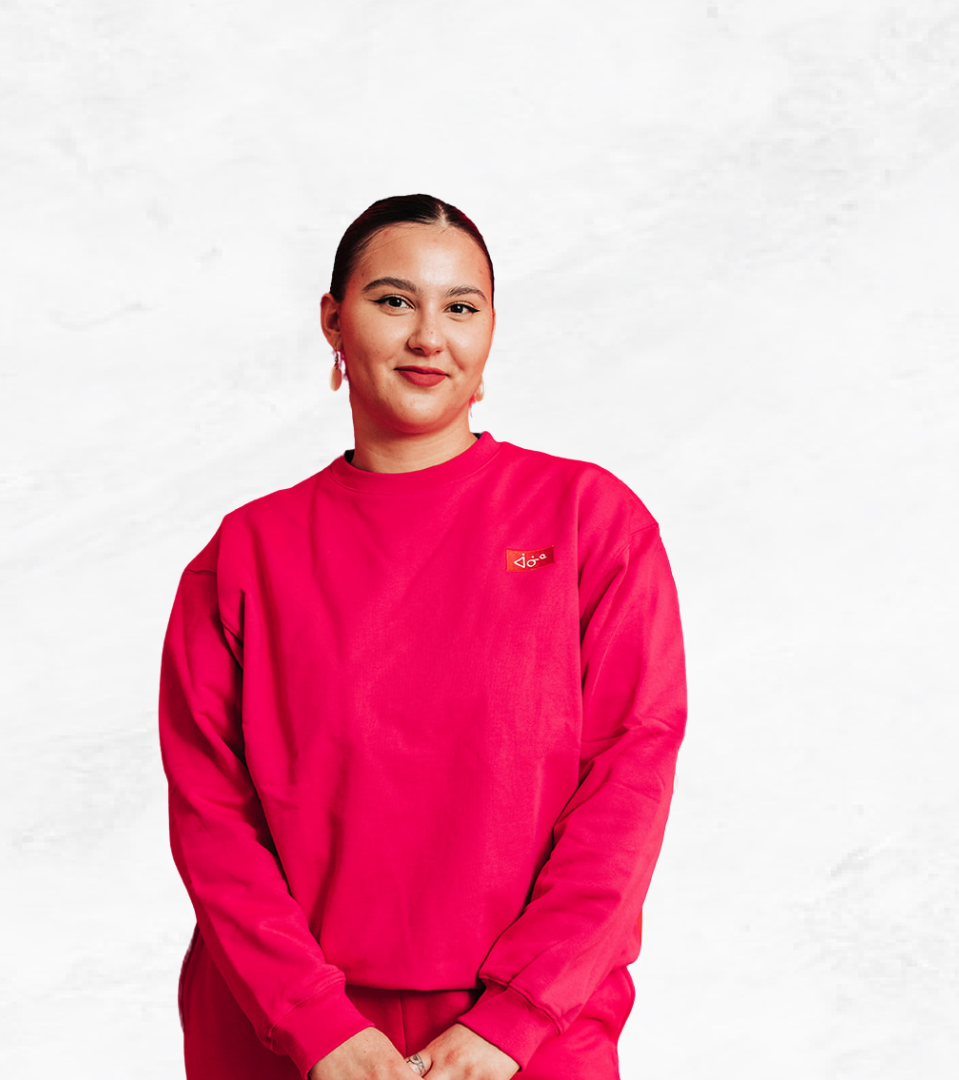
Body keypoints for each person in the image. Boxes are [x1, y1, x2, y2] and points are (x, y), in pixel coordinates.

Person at [158, 194, 687, 1080]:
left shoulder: (592, 522)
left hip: (530, 1034)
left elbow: (628, 783)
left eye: (462, 307)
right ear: (333, 320)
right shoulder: (245, 555)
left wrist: (514, 1019)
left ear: (490, 334)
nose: (428, 337)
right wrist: (316, 1024)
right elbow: (211, 817)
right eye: (394, 300)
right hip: (285, 1037)